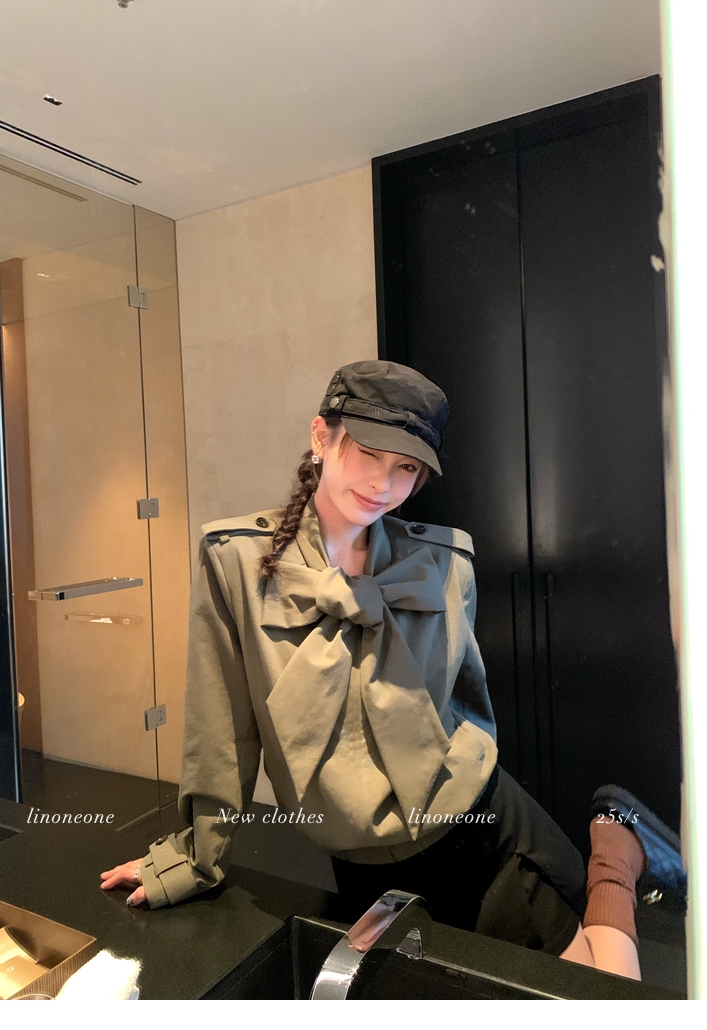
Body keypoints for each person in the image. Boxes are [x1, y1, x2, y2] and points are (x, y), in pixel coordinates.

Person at [101, 360, 683, 982]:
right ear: (321, 436)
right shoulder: (236, 563)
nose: (384, 483)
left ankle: (613, 859)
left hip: (483, 827)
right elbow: (221, 731)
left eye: (406, 467)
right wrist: (196, 857)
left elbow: (468, 704)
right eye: (370, 454)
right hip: (361, 862)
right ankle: (616, 845)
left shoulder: (442, 562)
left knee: (599, 989)